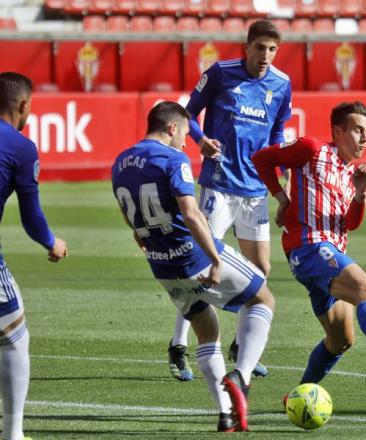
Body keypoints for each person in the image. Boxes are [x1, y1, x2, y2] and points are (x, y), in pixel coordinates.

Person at [111, 101, 274, 432]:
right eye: (185, 133)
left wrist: (138, 234)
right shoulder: (173, 158)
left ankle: (227, 413)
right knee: (263, 299)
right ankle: (240, 377)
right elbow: (191, 212)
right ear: (172, 128)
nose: (186, 140)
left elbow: (127, 209)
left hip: (160, 263)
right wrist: (214, 256)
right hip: (191, 256)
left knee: (206, 331)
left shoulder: (120, 162)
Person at [252, 101, 366, 393]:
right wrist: (281, 198)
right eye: (358, 130)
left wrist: (360, 195)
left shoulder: (353, 175)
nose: (364, 138)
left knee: (341, 340)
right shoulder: (312, 150)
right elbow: (262, 158)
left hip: (327, 254)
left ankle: (298, 396)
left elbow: (349, 224)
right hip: (310, 248)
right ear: (337, 131)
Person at [165, 19, 292, 381]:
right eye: (260, 48)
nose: (265, 55)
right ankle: (178, 344)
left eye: (272, 49)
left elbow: (278, 131)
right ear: (246, 46)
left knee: (261, 271)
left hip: (254, 191)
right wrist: (201, 140)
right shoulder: (221, 73)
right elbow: (186, 115)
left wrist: (278, 177)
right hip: (219, 185)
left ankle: (240, 344)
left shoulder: (281, 84)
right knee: (202, 267)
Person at [0, 72, 68, 440]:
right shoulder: (21, 148)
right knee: (13, 339)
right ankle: (13, 434)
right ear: (23, 105)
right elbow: (31, 217)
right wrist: (50, 242)